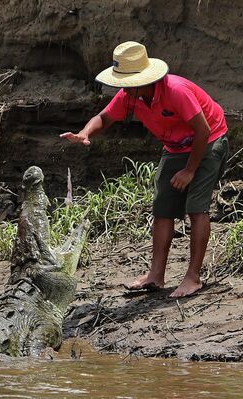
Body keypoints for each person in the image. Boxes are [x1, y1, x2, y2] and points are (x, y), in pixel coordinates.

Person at [61, 41, 229, 298]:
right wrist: (85, 132)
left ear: (144, 79)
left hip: (208, 141)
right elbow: (104, 118)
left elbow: (203, 131)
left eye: (127, 83)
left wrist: (189, 171)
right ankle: (156, 276)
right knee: (163, 207)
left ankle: (193, 277)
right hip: (175, 147)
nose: (123, 89)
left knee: (196, 207)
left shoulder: (176, 91)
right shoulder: (131, 96)